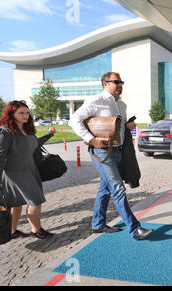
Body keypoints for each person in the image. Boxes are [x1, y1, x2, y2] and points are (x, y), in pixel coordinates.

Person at [69, 72, 153, 241]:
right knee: (117, 189)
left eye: (121, 82)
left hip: (119, 151)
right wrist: (91, 140)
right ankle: (135, 229)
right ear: (105, 84)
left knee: (105, 189)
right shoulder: (96, 100)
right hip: (101, 153)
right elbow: (74, 120)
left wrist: (127, 126)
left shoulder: (122, 104)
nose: (120, 84)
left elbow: (118, 127)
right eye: (116, 82)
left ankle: (98, 224)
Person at [0, 100, 56, 239]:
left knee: (16, 203)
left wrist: (49, 134)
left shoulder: (27, 129)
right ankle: (36, 230)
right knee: (36, 200)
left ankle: (12, 232)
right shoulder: (5, 132)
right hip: (14, 173)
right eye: (21, 113)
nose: (26, 116)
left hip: (30, 170)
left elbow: (35, 144)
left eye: (27, 112)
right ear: (11, 114)